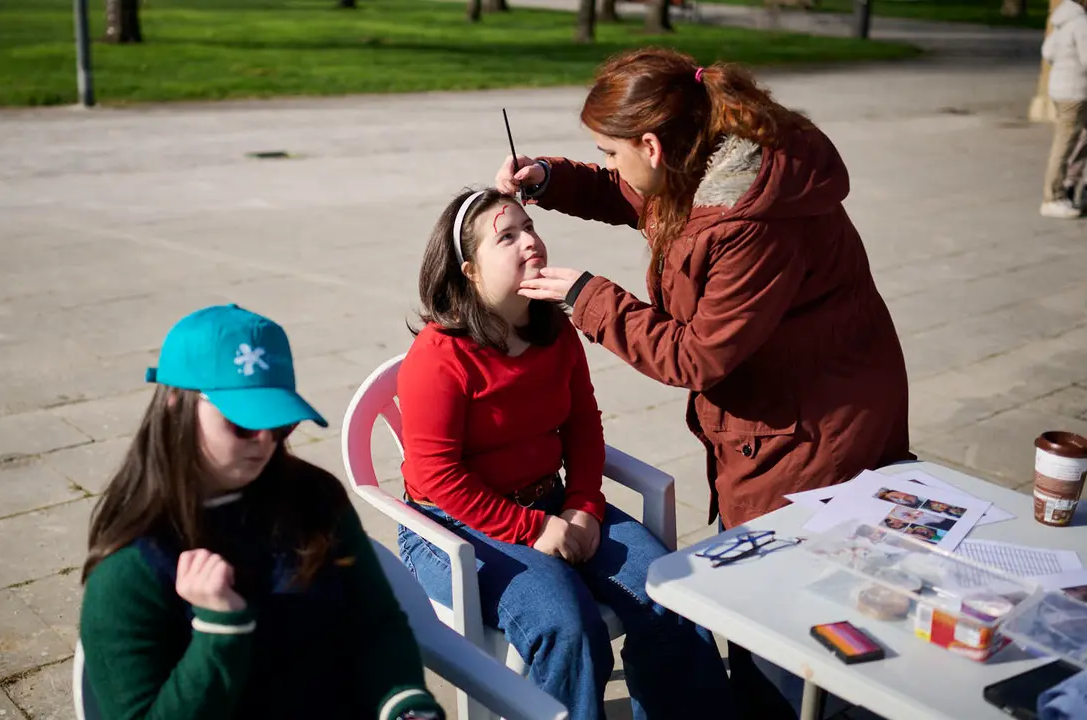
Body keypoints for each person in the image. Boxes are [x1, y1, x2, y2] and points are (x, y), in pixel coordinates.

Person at [496, 47, 913, 717]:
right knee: (764, 601)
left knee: (794, 621)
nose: (607, 164)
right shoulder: (704, 162)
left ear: (654, 144)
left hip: (815, 430)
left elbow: (696, 356)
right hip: (776, 418)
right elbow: (634, 194)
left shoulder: (751, 218)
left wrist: (588, 297)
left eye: (609, 150)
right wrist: (550, 178)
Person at [396, 187, 735, 720]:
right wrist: (532, 530)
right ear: (469, 270)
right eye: (507, 237)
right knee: (568, 628)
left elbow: (582, 424)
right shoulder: (439, 356)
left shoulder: (555, 329)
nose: (529, 241)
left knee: (671, 592)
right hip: (452, 527)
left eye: (529, 227)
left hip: (550, 500)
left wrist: (582, 503)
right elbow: (437, 476)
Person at [78, 304, 445, 720]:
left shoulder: (315, 498)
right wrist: (220, 629)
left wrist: (407, 705)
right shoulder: (129, 570)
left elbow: (376, 622)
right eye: (244, 424)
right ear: (174, 402)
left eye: (280, 424)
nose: (265, 441)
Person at [1040, 0, 1087, 219]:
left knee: (1078, 139)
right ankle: (1053, 198)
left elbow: (1047, 52)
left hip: (1060, 91)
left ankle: (1070, 183)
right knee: (1064, 144)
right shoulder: (1080, 23)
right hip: (1075, 93)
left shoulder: (1061, 21)